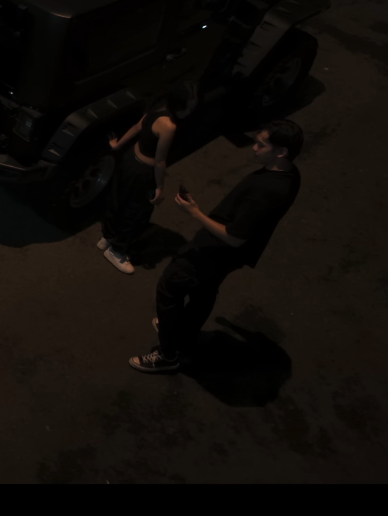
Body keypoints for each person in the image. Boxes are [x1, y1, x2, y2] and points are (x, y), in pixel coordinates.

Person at [130, 120, 304, 373]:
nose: (254, 147)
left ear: (281, 152)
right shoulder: (290, 174)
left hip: (214, 252)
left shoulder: (266, 190)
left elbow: (235, 237)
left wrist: (194, 212)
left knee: (169, 287)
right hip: (229, 258)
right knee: (203, 295)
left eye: (261, 144)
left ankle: (168, 353)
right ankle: (181, 334)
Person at [99, 82, 199, 274]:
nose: (193, 105)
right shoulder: (169, 126)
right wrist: (160, 187)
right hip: (143, 172)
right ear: (180, 104)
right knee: (135, 212)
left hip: (129, 160)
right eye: (190, 103)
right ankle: (116, 251)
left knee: (118, 200)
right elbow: (160, 161)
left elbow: (137, 127)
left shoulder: (159, 107)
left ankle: (107, 237)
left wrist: (118, 144)